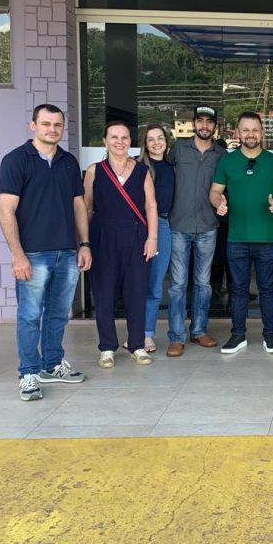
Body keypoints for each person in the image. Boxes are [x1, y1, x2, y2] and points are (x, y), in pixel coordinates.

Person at [0, 103, 90, 401]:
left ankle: (52, 364)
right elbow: (6, 210)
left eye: (57, 124)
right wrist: (17, 255)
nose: (52, 129)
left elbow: (78, 205)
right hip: (33, 254)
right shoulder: (15, 160)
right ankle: (28, 372)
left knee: (58, 313)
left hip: (67, 251)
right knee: (29, 315)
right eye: (46, 123)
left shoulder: (68, 161)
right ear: (33, 125)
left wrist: (84, 244)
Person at [210, 112, 273, 355]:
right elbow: (215, 191)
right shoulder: (227, 161)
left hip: (267, 238)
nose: (251, 134)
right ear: (237, 132)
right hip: (237, 238)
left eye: (255, 129)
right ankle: (238, 334)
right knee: (238, 289)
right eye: (246, 130)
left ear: (262, 132)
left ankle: (270, 334)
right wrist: (218, 203)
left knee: (268, 289)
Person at [84, 121, 159, 368]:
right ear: (105, 141)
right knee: (104, 293)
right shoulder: (94, 171)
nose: (119, 142)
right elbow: (86, 208)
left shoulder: (141, 171)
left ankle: (137, 345)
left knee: (136, 292)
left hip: (136, 236)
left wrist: (152, 238)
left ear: (130, 142)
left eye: (124, 137)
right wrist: (83, 243)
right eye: (114, 137)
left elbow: (151, 206)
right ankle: (107, 347)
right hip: (103, 238)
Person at [166, 105, 227, 357]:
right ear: (193, 124)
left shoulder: (221, 154)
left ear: (215, 127)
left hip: (207, 225)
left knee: (203, 283)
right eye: (200, 121)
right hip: (178, 224)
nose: (204, 126)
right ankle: (176, 336)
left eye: (209, 122)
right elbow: (162, 176)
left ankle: (200, 330)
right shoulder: (178, 149)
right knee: (178, 284)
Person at [137, 124, 174, 353]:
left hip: (163, 226)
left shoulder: (171, 168)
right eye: (151, 139)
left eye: (160, 138)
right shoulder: (138, 168)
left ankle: (147, 333)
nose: (156, 143)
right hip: (139, 226)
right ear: (145, 143)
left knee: (154, 283)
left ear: (166, 141)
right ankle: (135, 332)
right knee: (135, 283)